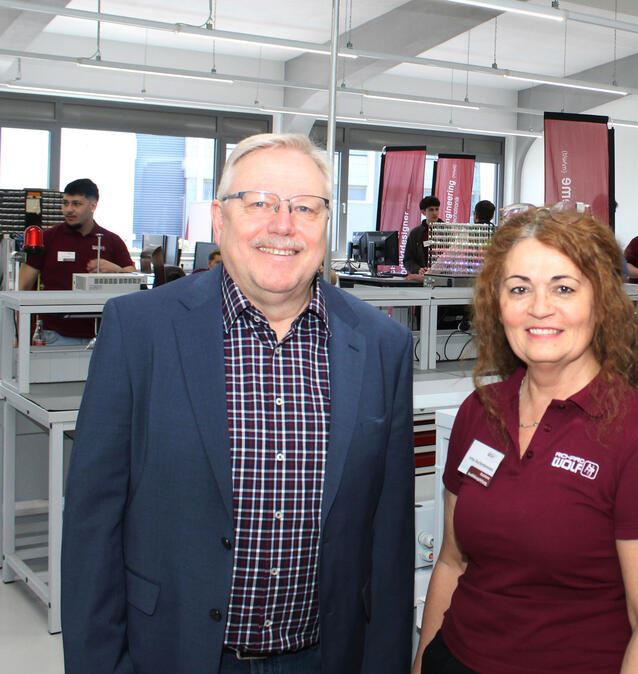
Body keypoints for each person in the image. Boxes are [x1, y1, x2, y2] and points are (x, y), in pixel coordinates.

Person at [61, 133, 414, 674]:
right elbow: (93, 522)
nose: (282, 224)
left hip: (323, 657)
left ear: (326, 224)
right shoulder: (140, 330)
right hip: (174, 651)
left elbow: (389, 537)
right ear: (219, 220)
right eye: (259, 203)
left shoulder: (381, 345)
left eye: (304, 207)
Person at [413, 202, 638, 673]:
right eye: (519, 288)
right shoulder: (478, 412)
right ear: (496, 302)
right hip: (455, 658)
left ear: (601, 300)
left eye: (563, 288)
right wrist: (422, 663)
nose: (539, 308)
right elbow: (452, 562)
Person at [20, 178, 136, 345]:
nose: (68, 210)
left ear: (93, 206)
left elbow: (134, 281)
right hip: (56, 335)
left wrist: (115, 269)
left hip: (102, 335)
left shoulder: (112, 241)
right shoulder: (48, 238)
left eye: (76, 204)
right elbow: (23, 285)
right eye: (65, 203)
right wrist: (21, 335)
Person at [404, 195, 440, 280]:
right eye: (431, 210)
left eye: (437, 209)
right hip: (421, 278)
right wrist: (418, 269)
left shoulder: (447, 231)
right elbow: (408, 260)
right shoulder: (415, 233)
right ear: (423, 212)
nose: (435, 213)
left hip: (442, 277)